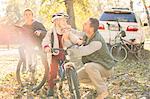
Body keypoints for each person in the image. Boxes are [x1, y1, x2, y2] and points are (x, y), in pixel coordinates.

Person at [67, 18, 116, 99]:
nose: (83, 24)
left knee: (89, 66)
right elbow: (78, 33)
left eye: (86, 24)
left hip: (106, 68)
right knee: (76, 77)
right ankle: (100, 84)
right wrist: (69, 30)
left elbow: (81, 51)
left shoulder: (97, 42)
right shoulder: (88, 35)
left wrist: (69, 48)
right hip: (96, 66)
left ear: (91, 28)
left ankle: (103, 92)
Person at [42, 12, 83, 97]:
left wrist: (78, 41)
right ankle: (51, 87)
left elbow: (72, 37)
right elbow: (46, 40)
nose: (64, 22)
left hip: (64, 52)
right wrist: (47, 47)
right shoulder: (51, 32)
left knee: (69, 65)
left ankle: (72, 80)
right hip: (55, 53)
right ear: (56, 21)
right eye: (62, 21)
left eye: (65, 21)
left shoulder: (65, 30)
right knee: (53, 71)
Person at [19, 9, 47, 75]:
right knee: (20, 48)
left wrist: (40, 32)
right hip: (29, 44)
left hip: (39, 43)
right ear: (24, 16)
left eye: (29, 14)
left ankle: (47, 73)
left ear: (32, 16)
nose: (27, 16)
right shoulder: (24, 26)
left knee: (43, 59)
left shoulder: (38, 24)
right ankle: (25, 65)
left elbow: (46, 33)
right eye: (26, 14)